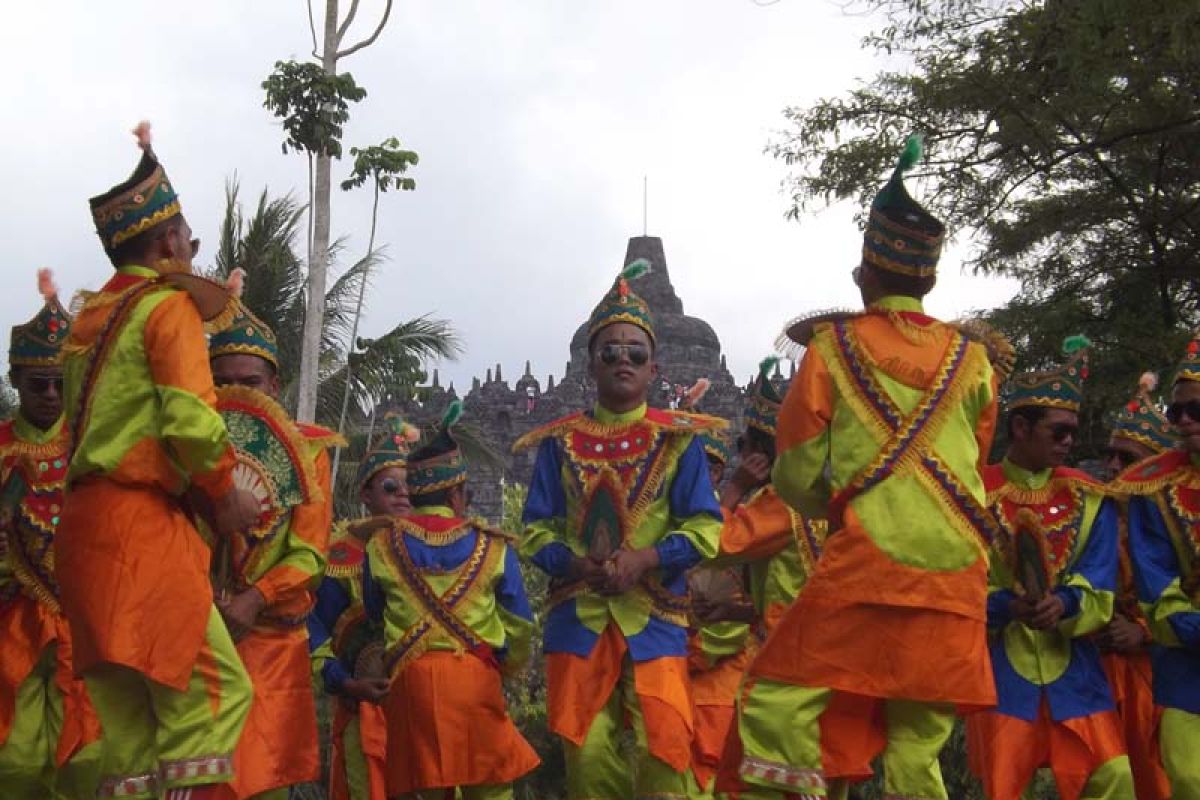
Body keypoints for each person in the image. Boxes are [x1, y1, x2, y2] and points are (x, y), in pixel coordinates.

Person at [739, 136, 1001, 800]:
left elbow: (794, 473)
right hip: (959, 574)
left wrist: (847, 505)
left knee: (775, 703)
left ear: (865, 275)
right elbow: (981, 456)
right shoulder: (974, 360)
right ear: (931, 279)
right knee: (918, 742)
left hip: (869, 565)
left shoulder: (833, 347)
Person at [57, 122, 259, 800]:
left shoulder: (84, 328)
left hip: (82, 537)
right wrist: (224, 490)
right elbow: (192, 420)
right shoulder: (167, 307)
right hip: (142, 535)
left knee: (130, 735)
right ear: (168, 240)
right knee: (212, 696)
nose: (189, 249)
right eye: (188, 238)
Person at [516, 259, 725, 799]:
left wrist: (647, 558)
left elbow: (705, 526)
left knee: (668, 754)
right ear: (591, 364)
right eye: (610, 351)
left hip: (655, 617)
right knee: (586, 760)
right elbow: (535, 531)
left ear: (654, 369)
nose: (623, 359)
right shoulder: (558, 444)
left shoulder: (679, 441)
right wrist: (579, 564)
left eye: (636, 352)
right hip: (578, 619)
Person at [966, 337, 1134, 800]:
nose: (1069, 443)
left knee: (1114, 777)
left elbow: (1099, 577)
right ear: (1020, 427)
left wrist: (1063, 602)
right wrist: (1004, 606)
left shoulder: (1089, 497)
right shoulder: (973, 495)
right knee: (1003, 785)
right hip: (1000, 668)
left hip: (1076, 670)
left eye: (1072, 433)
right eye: (1058, 432)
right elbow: (956, 582)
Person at [364, 401, 539, 799]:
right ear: (458, 494)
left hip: (410, 681)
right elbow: (521, 623)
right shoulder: (493, 546)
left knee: (425, 787)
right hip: (474, 676)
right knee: (490, 787)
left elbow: (375, 611)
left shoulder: (381, 544)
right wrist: (507, 665)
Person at [208, 300, 341, 800]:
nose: (237, 395)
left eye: (251, 383)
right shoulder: (188, 447)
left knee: (262, 779)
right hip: (200, 637)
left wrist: (254, 597)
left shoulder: (308, 452)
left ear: (275, 388)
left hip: (272, 643)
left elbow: (309, 553)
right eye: (223, 384)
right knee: (201, 777)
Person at [0, 272, 101, 798]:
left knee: (87, 757)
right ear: (15, 378)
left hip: (84, 621)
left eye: (60, 383)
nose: (49, 394)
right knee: (14, 760)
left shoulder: (93, 450)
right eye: (37, 383)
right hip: (10, 621)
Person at [309, 413, 421, 800]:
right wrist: (345, 681)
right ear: (366, 496)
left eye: (411, 486)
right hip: (363, 704)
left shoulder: (437, 551)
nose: (404, 495)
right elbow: (316, 630)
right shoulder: (341, 556)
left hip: (429, 707)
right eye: (392, 486)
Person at [1118, 330, 1200, 799]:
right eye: (1177, 412)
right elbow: (1155, 581)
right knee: (1188, 780)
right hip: (1185, 669)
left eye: (1197, 410)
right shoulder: (1153, 488)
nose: (1185, 421)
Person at [1097, 372, 1174, 800]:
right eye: (1109, 456)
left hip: (1159, 673)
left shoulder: (1179, 524)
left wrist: (1141, 632)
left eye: (1125, 459)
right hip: (1097, 671)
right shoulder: (1094, 515)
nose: (1112, 468)